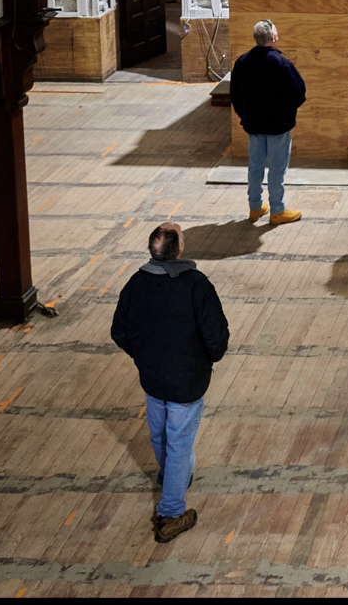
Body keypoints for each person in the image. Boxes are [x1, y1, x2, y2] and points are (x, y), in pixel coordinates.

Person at [110, 221, 228, 544]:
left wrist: (143, 357)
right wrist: (203, 360)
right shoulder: (196, 285)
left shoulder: (136, 283)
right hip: (187, 384)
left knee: (159, 435)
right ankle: (171, 513)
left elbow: (118, 331)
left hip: (152, 380)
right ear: (178, 250)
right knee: (179, 444)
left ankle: (170, 478)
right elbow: (217, 340)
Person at [229, 19, 307, 225]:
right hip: (278, 126)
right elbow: (299, 92)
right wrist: (287, 113)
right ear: (272, 38)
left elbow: (234, 94)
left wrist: (244, 115)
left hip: (253, 124)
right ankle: (277, 210)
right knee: (276, 168)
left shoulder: (242, 62)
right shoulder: (282, 63)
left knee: (255, 166)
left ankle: (255, 207)